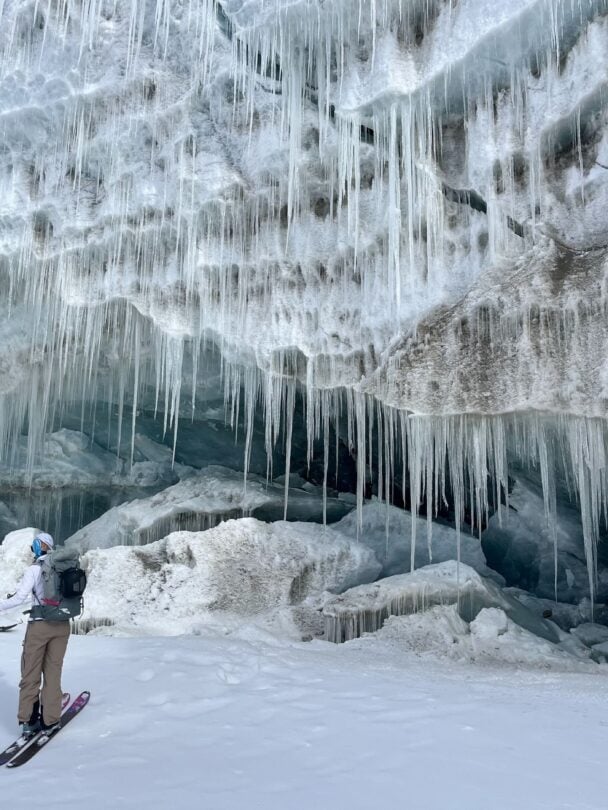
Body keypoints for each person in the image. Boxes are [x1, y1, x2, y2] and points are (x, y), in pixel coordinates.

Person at [0, 532, 70, 737]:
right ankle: (50, 720)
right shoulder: (65, 567)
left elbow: (20, 597)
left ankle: (29, 722)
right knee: (53, 673)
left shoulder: (34, 569)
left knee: (30, 673)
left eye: (34, 546)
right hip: (62, 626)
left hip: (39, 626)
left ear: (40, 547)